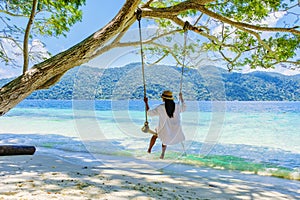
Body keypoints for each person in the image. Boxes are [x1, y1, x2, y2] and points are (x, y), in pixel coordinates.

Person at [143, 90, 186, 159]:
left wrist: (146, 103)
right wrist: (181, 98)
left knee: (156, 135)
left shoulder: (161, 107)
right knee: (165, 136)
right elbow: (184, 108)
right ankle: (162, 154)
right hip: (175, 129)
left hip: (164, 129)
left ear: (164, 98)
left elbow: (149, 113)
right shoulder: (177, 106)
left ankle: (149, 150)